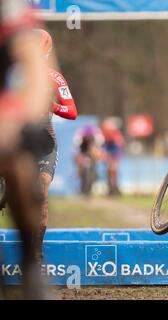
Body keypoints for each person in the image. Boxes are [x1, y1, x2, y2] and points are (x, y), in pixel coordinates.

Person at [0, 0, 51, 298]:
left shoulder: (11, 11)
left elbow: (35, 73)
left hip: (8, 99)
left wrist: (21, 119)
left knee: (18, 161)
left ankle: (30, 267)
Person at [31, 29, 78, 265]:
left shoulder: (54, 77)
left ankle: (35, 256)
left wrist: (52, 105)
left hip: (43, 141)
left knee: (41, 192)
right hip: (14, 140)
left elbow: (72, 111)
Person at [74, 124, 104, 196]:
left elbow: (99, 150)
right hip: (83, 152)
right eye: (87, 138)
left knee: (92, 169)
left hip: (92, 153)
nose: (88, 139)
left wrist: (97, 154)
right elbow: (77, 150)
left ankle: (89, 188)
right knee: (82, 169)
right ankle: (82, 188)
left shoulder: (97, 137)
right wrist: (80, 158)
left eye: (89, 138)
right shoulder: (79, 137)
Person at [101, 119, 125, 196]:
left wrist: (116, 158)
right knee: (109, 170)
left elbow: (120, 145)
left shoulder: (116, 135)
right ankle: (111, 187)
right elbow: (103, 146)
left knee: (114, 169)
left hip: (115, 148)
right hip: (109, 148)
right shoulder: (104, 135)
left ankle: (114, 187)